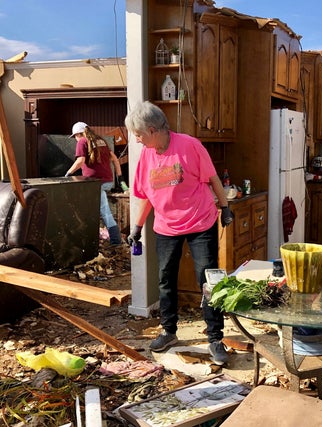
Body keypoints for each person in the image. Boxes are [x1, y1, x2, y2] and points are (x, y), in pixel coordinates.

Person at [125, 101, 234, 365]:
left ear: (152, 130)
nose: (137, 140)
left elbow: (213, 179)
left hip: (200, 222)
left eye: (138, 134)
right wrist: (137, 227)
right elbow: (146, 197)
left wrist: (225, 207)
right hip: (166, 227)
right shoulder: (147, 157)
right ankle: (169, 331)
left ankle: (215, 338)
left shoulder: (190, 146)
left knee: (208, 280)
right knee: (165, 279)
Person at [65, 121, 124, 245]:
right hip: (107, 181)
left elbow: (80, 161)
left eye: (75, 136)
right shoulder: (100, 140)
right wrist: (120, 178)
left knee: (105, 212)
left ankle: (115, 242)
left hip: (94, 184)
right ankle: (96, 237)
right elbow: (115, 159)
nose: (75, 139)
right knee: (91, 210)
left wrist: (68, 174)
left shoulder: (82, 141)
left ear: (78, 134)